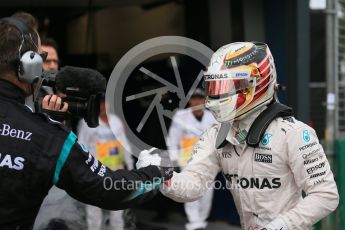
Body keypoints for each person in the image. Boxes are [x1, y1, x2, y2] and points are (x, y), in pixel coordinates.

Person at [136, 42, 339, 230]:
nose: (217, 94)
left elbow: (325, 194)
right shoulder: (217, 133)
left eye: (226, 86)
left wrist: (281, 225)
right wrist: (160, 176)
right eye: (214, 87)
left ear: (253, 84)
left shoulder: (294, 134)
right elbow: (194, 186)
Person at [0, 16, 171, 230]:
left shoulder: (48, 132)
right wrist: (155, 172)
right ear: (30, 65)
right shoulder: (49, 137)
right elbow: (109, 189)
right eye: (42, 59)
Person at [77, 96, 134, 230]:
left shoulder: (116, 122)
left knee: (117, 211)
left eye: (105, 103)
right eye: (100, 104)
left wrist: (131, 168)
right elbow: (81, 148)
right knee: (94, 211)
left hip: (117, 172)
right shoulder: (87, 123)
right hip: (95, 173)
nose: (103, 107)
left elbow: (125, 145)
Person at [167, 89, 215, 230]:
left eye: (200, 99)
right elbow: (173, 140)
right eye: (194, 99)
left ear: (205, 101)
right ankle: (194, 223)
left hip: (208, 162)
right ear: (189, 101)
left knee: (207, 194)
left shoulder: (212, 117)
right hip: (187, 161)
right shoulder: (181, 117)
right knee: (191, 191)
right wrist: (174, 161)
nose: (197, 102)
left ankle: (201, 221)